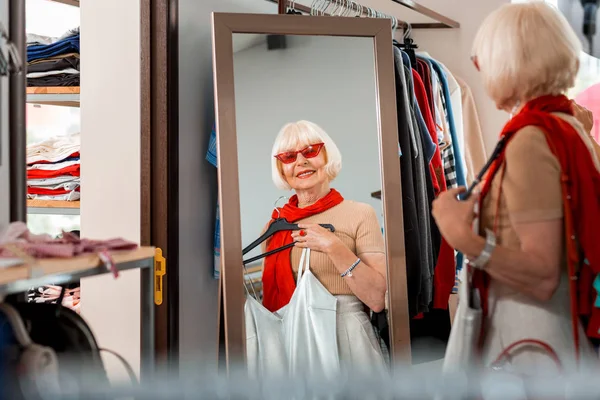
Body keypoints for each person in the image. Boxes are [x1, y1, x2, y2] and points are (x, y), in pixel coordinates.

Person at [432, 1, 600, 374]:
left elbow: (542, 275)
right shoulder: (567, 127)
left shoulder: (531, 139)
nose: (481, 70)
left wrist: (464, 237)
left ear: (508, 61)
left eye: (481, 59)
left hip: (531, 341)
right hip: (549, 333)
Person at [261, 119, 388, 371]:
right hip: (292, 342)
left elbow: (377, 299)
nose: (301, 162)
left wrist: (334, 246)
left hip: (348, 340)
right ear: (281, 168)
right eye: (288, 156)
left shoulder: (360, 214)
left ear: (326, 156)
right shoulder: (273, 228)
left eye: (310, 151)